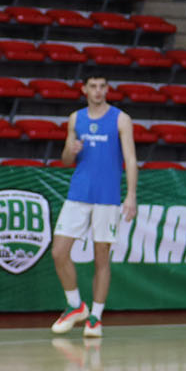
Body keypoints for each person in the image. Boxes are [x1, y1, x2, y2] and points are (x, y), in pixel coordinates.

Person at [49, 73, 137, 340]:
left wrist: (131, 195)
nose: (98, 91)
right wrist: (71, 150)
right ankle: (76, 305)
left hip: (107, 197)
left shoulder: (121, 119)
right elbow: (66, 160)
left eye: (102, 86)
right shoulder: (75, 118)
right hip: (78, 193)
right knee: (59, 252)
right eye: (93, 86)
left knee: (101, 258)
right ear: (84, 89)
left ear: (107, 89)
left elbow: (131, 159)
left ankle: (96, 317)